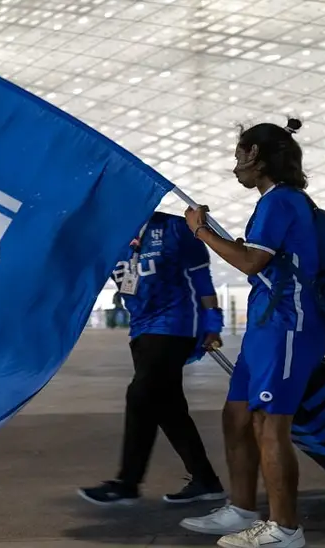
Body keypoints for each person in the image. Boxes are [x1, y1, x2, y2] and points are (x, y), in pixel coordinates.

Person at [180, 118, 325, 548]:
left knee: (269, 422)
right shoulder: (274, 202)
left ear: (257, 156)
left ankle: (285, 528)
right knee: (237, 416)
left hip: (287, 325)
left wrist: (200, 231)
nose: (235, 166)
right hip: (266, 325)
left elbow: (250, 261)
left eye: (239, 155)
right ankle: (241, 509)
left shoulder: (280, 201)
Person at [78, 211, 227, 506]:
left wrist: (213, 323)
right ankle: (206, 481)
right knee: (168, 408)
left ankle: (127, 483)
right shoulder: (113, 236)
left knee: (140, 394)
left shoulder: (174, 228)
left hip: (176, 323)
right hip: (141, 329)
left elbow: (201, 276)